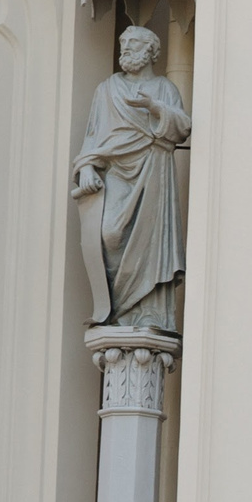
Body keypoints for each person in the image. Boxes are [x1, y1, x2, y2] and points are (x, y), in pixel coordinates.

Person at [72, 26, 190, 331]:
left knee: (152, 244)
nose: (125, 49)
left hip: (154, 171)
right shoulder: (107, 89)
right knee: (110, 233)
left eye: (133, 44)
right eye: (122, 44)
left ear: (150, 51)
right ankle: (118, 310)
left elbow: (182, 128)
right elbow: (93, 136)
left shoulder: (165, 89)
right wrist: (86, 166)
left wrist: (154, 107)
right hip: (117, 173)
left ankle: (149, 313)